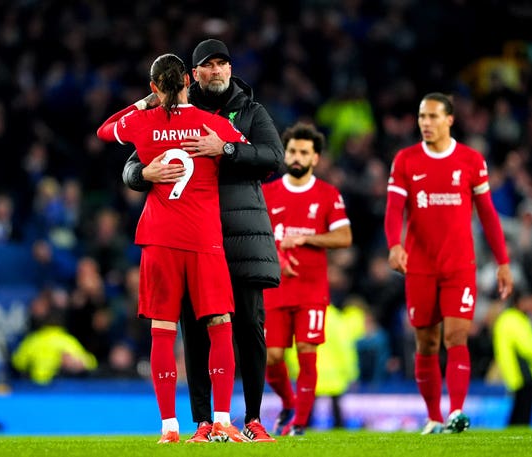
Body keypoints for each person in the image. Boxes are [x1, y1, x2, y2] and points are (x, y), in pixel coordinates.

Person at [122, 38, 283, 443]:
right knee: (195, 330)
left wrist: (225, 148)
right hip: (190, 234)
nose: (216, 71)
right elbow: (131, 167)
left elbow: (273, 158)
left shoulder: (250, 111)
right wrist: (144, 176)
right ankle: (204, 421)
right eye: (207, 66)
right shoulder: (167, 115)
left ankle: (252, 417)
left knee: (248, 325)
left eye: (222, 64)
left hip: (240, 235)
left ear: (230, 70)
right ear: (193, 76)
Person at [96, 53, 249, 444]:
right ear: (187, 79)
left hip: (159, 238)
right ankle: (221, 419)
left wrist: (144, 105)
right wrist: (223, 147)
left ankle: (168, 428)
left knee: (162, 331)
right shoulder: (210, 123)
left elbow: (104, 130)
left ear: (153, 87)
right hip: (203, 238)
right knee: (219, 326)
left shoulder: (142, 122)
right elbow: (249, 152)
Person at [384, 92, 514, 434]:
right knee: (426, 342)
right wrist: (395, 245)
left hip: (459, 265)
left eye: (432, 117)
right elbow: (394, 209)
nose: (425, 123)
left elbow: (488, 215)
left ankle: (456, 412)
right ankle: (434, 417)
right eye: (422, 117)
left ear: (450, 120)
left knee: (457, 336)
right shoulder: (406, 160)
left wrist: (503, 262)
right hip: (420, 267)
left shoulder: (471, 161)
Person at [262, 122, 352, 436]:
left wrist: (307, 239)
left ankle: (299, 423)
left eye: (304, 152)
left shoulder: (328, 195)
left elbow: (344, 237)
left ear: (315, 158)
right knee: (272, 356)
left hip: (312, 288)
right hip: (275, 287)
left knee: (307, 352)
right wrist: (278, 256)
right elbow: (257, 236)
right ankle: (288, 402)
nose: (297, 157)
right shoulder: (267, 192)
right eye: (292, 151)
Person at [492, 293, 532, 426]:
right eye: (525, 301)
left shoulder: (506, 319)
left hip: (513, 372)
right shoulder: (514, 319)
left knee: (519, 407)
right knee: (523, 408)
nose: (528, 305)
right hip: (522, 370)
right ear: (518, 303)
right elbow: (526, 346)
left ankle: (513, 434)